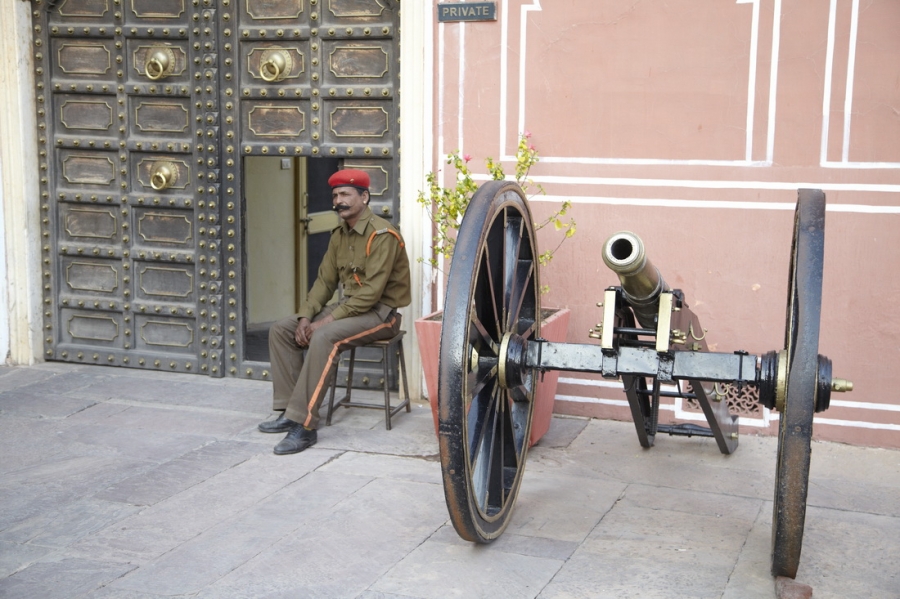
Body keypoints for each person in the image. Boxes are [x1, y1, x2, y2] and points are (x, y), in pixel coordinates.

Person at [259, 169, 411, 455]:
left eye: (345, 195)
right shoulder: (338, 235)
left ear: (364, 197)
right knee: (282, 329)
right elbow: (324, 282)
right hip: (349, 309)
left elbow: (371, 294)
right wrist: (305, 317)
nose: (338, 201)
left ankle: (304, 427)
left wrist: (324, 321)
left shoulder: (383, 235)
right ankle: (290, 411)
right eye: (335, 195)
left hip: (381, 314)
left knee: (325, 336)